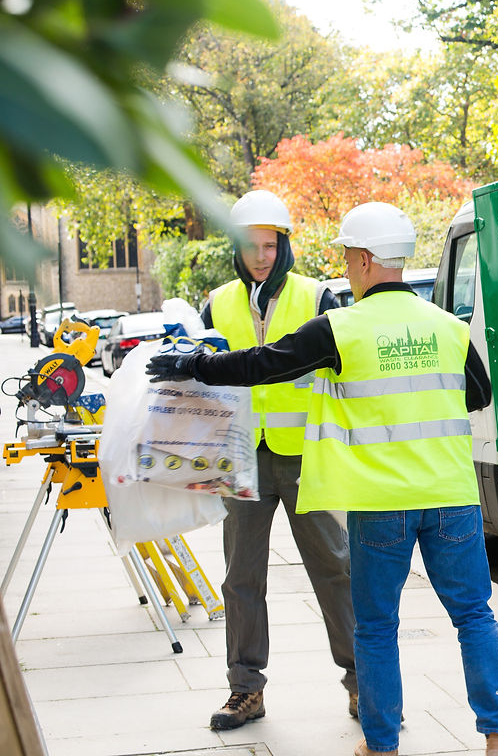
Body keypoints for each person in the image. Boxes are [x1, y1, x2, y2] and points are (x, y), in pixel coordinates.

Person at [149, 201, 498, 756]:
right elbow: (479, 394)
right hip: (452, 499)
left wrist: (194, 366)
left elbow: (262, 364)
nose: (346, 267)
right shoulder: (447, 326)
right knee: (474, 616)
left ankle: (380, 746)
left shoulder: (340, 328)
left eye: (349, 257)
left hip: (382, 503)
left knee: (375, 626)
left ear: (369, 260)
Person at [201, 189, 357, 731]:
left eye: (271, 245)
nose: (262, 256)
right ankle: (245, 690)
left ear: (284, 245)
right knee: (240, 578)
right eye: (252, 247)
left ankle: (364, 682)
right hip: (242, 457)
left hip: (305, 456)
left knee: (334, 568)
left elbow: (347, 373)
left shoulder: (317, 299)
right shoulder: (216, 303)